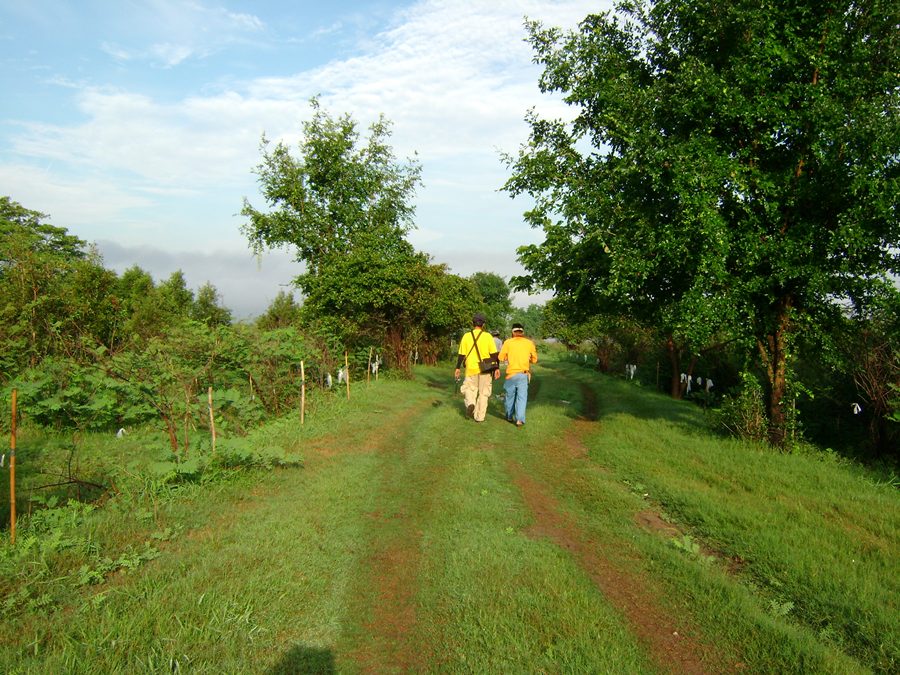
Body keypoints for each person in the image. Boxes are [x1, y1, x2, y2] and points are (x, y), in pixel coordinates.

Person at [454, 313, 500, 422]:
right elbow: (494, 355)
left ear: (472, 323)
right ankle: (479, 417)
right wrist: (496, 368)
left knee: (469, 388)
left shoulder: (466, 336)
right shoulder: (488, 336)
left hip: (471, 368)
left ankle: (470, 403)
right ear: (483, 324)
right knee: (484, 393)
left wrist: (457, 368)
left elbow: (461, 354)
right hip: (485, 369)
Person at [499, 323, 538, 427]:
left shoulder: (508, 342)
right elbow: (534, 359)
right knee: (522, 397)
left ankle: (509, 415)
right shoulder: (529, 343)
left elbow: (501, 357)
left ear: (513, 332)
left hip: (511, 375)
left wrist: (508, 357)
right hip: (523, 374)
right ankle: (519, 420)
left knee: (509, 396)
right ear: (522, 332)